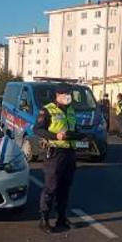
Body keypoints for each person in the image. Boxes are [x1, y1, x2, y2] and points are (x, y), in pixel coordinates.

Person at [33, 84, 85, 233]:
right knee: (51, 187)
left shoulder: (70, 110)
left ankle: (61, 218)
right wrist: (56, 136)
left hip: (70, 152)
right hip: (55, 153)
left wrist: (81, 135)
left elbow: (73, 129)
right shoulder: (47, 110)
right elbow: (37, 129)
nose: (69, 96)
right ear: (58, 95)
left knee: (65, 187)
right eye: (67, 93)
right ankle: (44, 219)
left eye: (70, 93)